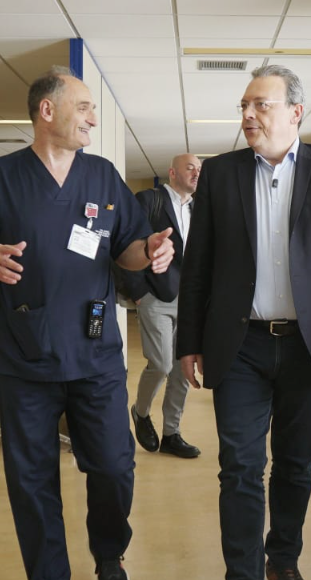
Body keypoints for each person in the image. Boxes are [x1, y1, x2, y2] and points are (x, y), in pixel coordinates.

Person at [0, 65, 174, 580]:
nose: (92, 118)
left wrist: (151, 251)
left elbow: (128, 249)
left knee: (114, 465)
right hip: (25, 353)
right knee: (30, 479)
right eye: (84, 107)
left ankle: (109, 554)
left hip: (94, 353)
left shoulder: (102, 176)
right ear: (47, 111)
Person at [176, 64, 311, 580]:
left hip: (309, 345)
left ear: (295, 112)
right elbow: (198, 265)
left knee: (295, 464)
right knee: (239, 467)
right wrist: (188, 341)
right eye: (244, 106)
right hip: (239, 344)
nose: (248, 115)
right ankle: (242, 571)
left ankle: (283, 559)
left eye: (260, 105)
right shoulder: (221, 173)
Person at [128, 153, 203, 459]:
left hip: (191, 301)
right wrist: (138, 292)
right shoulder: (150, 200)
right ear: (172, 172)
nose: (196, 173)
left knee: (182, 369)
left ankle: (172, 433)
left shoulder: (201, 207)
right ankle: (141, 412)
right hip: (156, 296)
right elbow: (126, 242)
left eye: (199, 169)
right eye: (190, 168)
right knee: (160, 364)